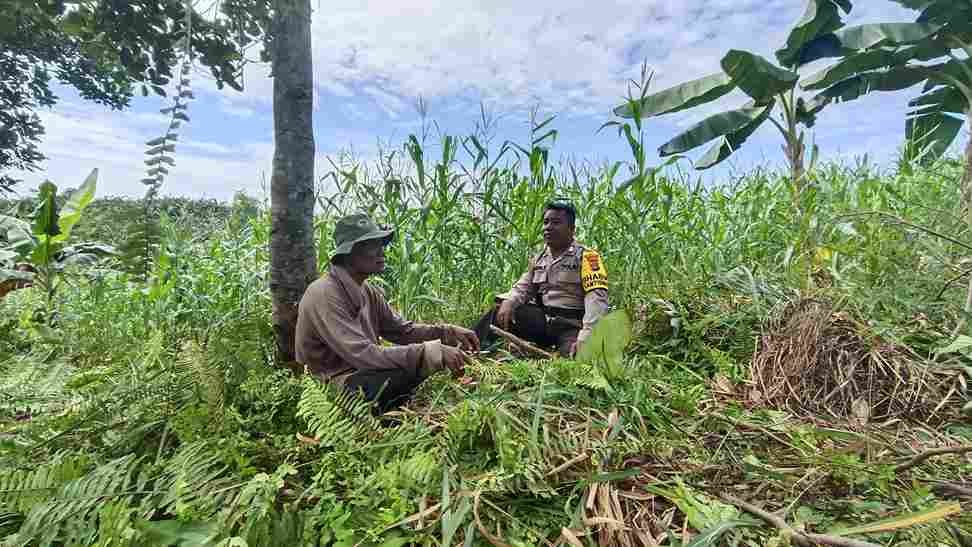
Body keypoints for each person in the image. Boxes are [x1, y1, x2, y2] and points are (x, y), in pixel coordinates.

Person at [295, 213, 480, 413]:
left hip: (365, 371)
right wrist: (432, 352)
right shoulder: (324, 293)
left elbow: (403, 332)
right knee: (412, 367)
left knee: (415, 363)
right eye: (371, 245)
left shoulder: (367, 290)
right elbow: (364, 354)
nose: (381, 251)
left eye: (381, 244)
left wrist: (448, 333)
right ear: (348, 253)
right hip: (336, 385)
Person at [473, 200, 609, 357]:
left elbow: (596, 299)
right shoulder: (539, 258)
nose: (548, 227)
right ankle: (468, 348)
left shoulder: (587, 257)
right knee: (498, 312)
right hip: (542, 321)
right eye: (546, 222)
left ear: (572, 229)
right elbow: (523, 287)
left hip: (571, 326)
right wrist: (509, 301)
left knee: (577, 358)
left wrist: (587, 335)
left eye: (556, 222)